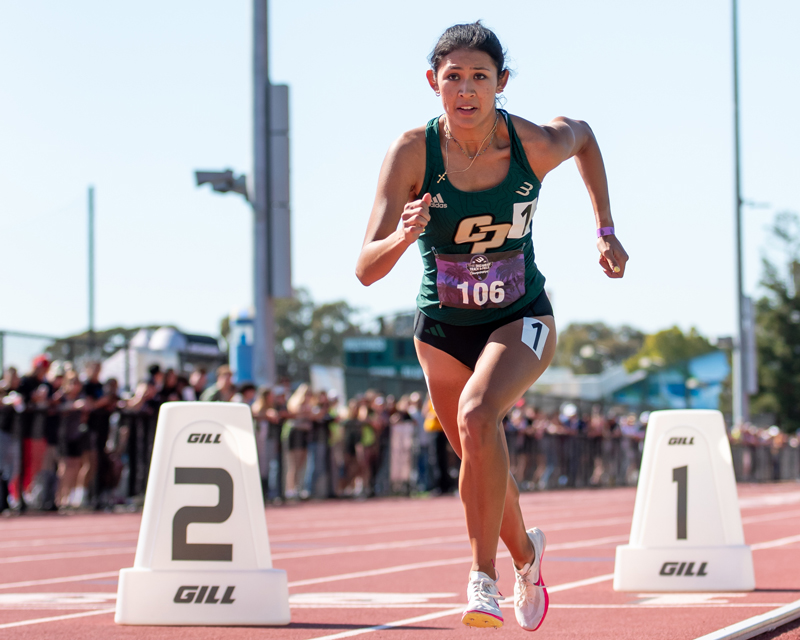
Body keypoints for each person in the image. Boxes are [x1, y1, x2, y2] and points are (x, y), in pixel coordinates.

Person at [356, 22, 628, 631]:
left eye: (480, 77)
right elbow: (365, 270)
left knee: (479, 415)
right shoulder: (410, 153)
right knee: (481, 460)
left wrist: (605, 230)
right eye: (453, 77)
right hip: (442, 329)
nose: (467, 90)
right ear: (434, 83)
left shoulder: (531, 144)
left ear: (501, 83)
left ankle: (483, 580)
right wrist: (403, 234)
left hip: (521, 316)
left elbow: (584, 137)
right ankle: (528, 558)